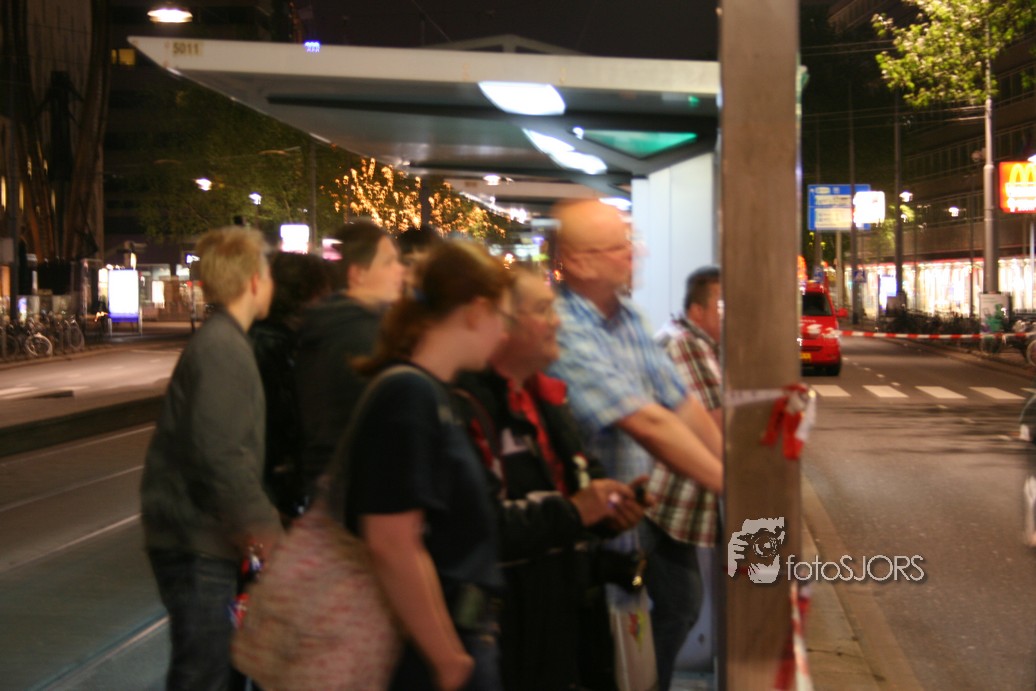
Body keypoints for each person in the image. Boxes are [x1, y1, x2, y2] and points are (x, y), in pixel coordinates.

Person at [547, 200, 723, 691]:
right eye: (619, 247)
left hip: (626, 528)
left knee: (634, 646)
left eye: (631, 242)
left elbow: (680, 404)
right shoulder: (565, 327)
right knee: (591, 663)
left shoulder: (627, 318)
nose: (634, 254)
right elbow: (646, 422)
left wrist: (732, 471)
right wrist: (731, 483)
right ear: (578, 261)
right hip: (577, 540)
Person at [455, 267, 646, 691]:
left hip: (563, 617)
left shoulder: (547, 397)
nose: (557, 322)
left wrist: (609, 510)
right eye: (543, 310)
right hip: (510, 632)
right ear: (502, 323)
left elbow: (578, 482)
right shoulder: (468, 404)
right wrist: (576, 512)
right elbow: (479, 529)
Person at [333, 240, 513, 691]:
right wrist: (448, 657)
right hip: (425, 654)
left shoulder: (434, 394)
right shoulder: (410, 395)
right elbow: (392, 540)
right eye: (502, 318)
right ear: (476, 311)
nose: (504, 334)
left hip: (443, 641)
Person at [140, 226, 283, 691]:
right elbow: (221, 455)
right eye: (269, 274)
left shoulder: (224, 341)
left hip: (197, 537)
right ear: (254, 281)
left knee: (208, 670)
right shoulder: (224, 349)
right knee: (204, 673)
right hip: (197, 541)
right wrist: (265, 528)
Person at [294, 220, 404, 500]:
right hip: (357, 491)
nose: (400, 270)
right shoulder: (360, 336)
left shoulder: (331, 323)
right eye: (388, 262)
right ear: (358, 274)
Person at [649, 266, 723, 669]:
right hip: (662, 504)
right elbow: (716, 421)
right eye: (721, 306)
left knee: (679, 605)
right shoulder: (688, 346)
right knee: (680, 606)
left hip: (664, 502)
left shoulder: (680, 336)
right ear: (698, 311)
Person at [249, 251, 332, 517]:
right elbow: (285, 424)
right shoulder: (274, 346)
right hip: (274, 493)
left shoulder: (278, 340)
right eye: (323, 294)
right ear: (306, 295)